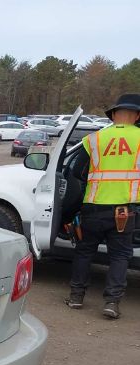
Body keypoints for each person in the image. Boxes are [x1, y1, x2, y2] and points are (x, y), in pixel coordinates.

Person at [66, 93, 140, 319]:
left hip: (93, 206)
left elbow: (77, 171)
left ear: (114, 116)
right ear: (136, 116)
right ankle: (111, 303)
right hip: (123, 210)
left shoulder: (94, 139)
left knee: (84, 251)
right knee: (119, 256)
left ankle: (76, 297)